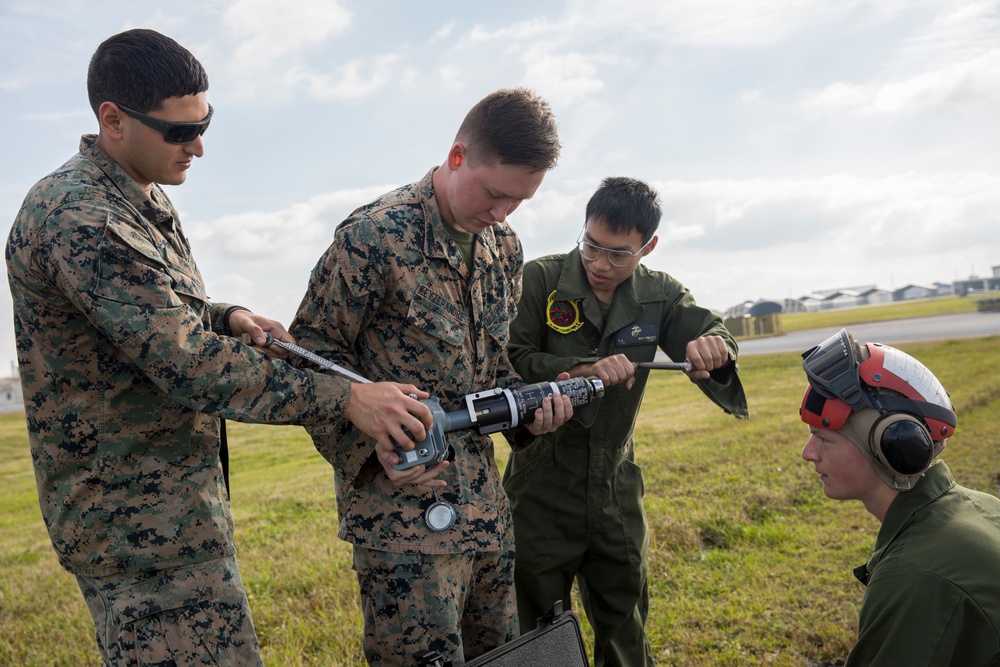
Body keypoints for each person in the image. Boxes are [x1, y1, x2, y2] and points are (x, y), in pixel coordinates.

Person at [5, 29, 434, 666]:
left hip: (171, 509)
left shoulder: (137, 193)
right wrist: (346, 397)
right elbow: (186, 363)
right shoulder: (82, 216)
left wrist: (224, 313)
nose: (199, 147)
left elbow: (151, 309)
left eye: (206, 124)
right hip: (138, 530)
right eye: (180, 132)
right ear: (112, 120)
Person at [288, 87, 573, 666]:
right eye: (494, 194)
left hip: (486, 518)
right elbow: (308, 358)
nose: (500, 214)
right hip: (402, 530)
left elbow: (490, 365)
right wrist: (369, 450)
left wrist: (529, 414)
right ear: (457, 155)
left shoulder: (503, 247)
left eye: (518, 202)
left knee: (501, 659)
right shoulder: (374, 239)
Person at [502, 176, 749, 666]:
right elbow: (509, 359)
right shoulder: (539, 281)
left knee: (625, 630)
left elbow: (709, 333)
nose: (599, 264)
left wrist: (715, 347)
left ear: (648, 247)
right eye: (591, 245)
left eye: (618, 254)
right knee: (536, 634)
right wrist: (577, 373)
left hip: (616, 487)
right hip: (541, 489)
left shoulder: (659, 296)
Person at [799, 328, 1000, 665]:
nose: (808, 453)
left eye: (824, 439)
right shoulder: (984, 506)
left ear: (891, 446)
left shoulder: (914, 577)